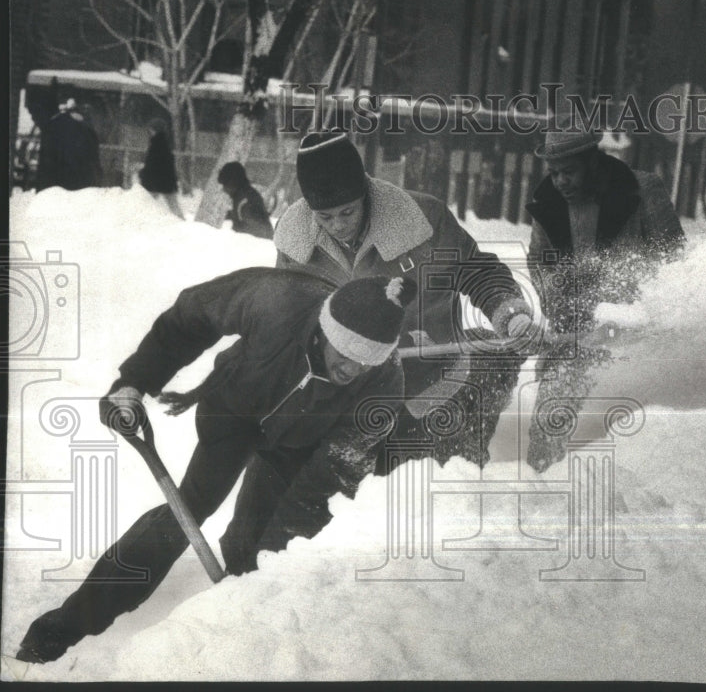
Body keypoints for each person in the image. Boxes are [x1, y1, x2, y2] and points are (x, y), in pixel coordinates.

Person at [16, 271, 416, 664]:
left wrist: (272, 561)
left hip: (300, 445)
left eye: (366, 363)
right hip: (233, 411)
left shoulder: (385, 383)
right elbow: (190, 315)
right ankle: (63, 629)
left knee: (265, 551)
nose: (352, 370)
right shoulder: (276, 301)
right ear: (327, 332)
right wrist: (135, 381)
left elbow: (330, 477)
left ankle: (237, 642)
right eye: (346, 355)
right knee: (181, 515)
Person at [273, 132, 543, 467]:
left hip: (437, 380)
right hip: (354, 396)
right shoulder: (296, 245)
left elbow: (477, 271)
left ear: (365, 194)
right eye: (325, 218)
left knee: (446, 483)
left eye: (347, 212)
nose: (338, 225)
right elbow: (291, 319)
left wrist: (509, 312)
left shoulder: (423, 220)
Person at [524, 119, 686, 472]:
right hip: (575, 332)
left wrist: (637, 304)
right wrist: (556, 298)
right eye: (554, 172)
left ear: (592, 163)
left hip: (636, 336)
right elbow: (539, 264)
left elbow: (675, 262)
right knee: (550, 420)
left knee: (634, 443)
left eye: (569, 171)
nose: (560, 181)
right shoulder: (548, 201)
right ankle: (542, 489)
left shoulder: (641, 191)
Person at [35, 98, 103, 191]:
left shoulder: (52, 125)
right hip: (79, 181)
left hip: (54, 180)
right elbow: (93, 156)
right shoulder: (86, 128)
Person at [138, 118, 185, 219]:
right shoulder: (164, 143)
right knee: (173, 205)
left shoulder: (156, 144)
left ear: (154, 130)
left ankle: (141, 221)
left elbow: (151, 165)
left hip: (155, 182)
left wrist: (143, 174)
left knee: (145, 204)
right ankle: (182, 222)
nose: (149, 132)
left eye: (150, 129)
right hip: (167, 182)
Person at [218, 161, 274, 239]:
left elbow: (259, 231)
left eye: (225, 184)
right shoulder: (244, 195)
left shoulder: (245, 201)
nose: (224, 189)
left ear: (233, 182)